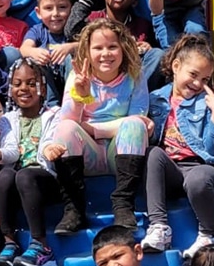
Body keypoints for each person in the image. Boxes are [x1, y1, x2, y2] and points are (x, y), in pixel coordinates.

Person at [47, 18, 150, 229]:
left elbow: (139, 120)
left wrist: (91, 128)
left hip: (119, 153)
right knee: (65, 129)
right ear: (88, 51)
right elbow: (69, 123)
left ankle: (123, 206)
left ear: (123, 49)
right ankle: (74, 210)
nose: (105, 54)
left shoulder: (134, 76)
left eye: (112, 47)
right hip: (87, 155)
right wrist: (80, 97)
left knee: (135, 127)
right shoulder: (78, 76)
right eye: (98, 48)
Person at [141, 35, 214, 257]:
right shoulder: (155, 99)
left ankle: (210, 234)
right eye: (193, 75)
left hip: (201, 168)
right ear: (176, 66)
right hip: (171, 170)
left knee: (198, 178)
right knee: (153, 154)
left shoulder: (205, 103)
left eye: (205, 79)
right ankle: (159, 227)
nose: (198, 83)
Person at [0, 60, 65, 266]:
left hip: (46, 179)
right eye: (18, 84)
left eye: (31, 83)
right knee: (5, 175)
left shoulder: (55, 114)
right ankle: (10, 242)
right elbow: (11, 152)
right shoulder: (8, 120)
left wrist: (50, 150)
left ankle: (42, 247)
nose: (24, 89)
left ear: (43, 87)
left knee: (25, 175)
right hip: (20, 180)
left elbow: (49, 142)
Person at [66, 0, 164, 90]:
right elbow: (70, 32)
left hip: (128, 84)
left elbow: (151, 56)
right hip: (96, 82)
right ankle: (77, 98)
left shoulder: (142, 26)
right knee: (71, 55)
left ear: (135, 1)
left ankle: (135, 94)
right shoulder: (93, 19)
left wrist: (147, 48)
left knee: (157, 54)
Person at [19, 0, 79, 107]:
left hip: (69, 79)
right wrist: (34, 52)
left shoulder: (75, 29)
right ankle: (52, 105)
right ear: (38, 12)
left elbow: (89, 44)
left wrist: (71, 47)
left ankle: (72, 102)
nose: (55, 14)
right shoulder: (38, 30)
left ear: (71, 9)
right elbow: (24, 48)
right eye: (48, 8)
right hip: (48, 80)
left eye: (62, 7)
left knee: (71, 58)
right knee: (34, 60)